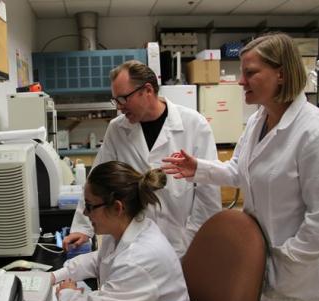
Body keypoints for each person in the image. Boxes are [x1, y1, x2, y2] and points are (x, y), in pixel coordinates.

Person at [162, 32, 319, 301]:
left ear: (280, 75)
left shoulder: (316, 133)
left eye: (250, 73)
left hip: (302, 282)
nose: (241, 81)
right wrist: (199, 168)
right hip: (262, 271)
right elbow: (239, 170)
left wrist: (283, 262)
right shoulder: (259, 119)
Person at [63, 60, 221, 258]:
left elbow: (208, 193)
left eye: (123, 99)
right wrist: (82, 228)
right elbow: (97, 180)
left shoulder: (194, 125)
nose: (119, 107)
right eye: (115, 100)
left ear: (147, 90)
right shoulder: (117, 129)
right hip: (130, 241)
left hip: (181, 242)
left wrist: (195, 240)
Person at [52, 161, 195, 301]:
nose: (85, 213)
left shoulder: (138, 259)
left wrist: (67, 294)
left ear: (117, 208)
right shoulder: (130, 228)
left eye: (90, 206)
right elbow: (100, 260)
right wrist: (58, 275)